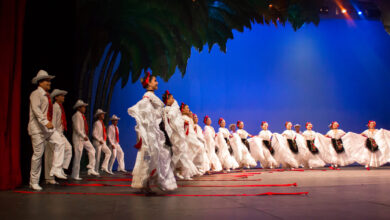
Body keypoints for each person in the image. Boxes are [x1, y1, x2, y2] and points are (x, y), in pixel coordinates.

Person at [128, 72, 177, 193]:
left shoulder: (151, 97)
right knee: (150, 157)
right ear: (149, 83)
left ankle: (146, 184)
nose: (157, 82)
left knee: (156, 156)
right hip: (150, 134)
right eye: (155, 80)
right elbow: (144, 114)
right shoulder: (147, 97)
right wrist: (146, 132)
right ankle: (146, 184)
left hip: (154, 133)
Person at [28, 70, 66, 190]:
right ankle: (33, 181)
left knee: (60, 142)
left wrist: (48, 124)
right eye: (47, 80)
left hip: (47, 128)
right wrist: (45, 122)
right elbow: (36, 110)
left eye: (49, 80)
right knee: (38, 155)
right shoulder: (36, 94)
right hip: (37, 129)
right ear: (40, 82)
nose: (49, 83)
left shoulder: (47, 95)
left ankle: (56, 169)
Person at [162, 91, 199, 179]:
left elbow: (176, 121)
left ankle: (182, 173)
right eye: (171, 98)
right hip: (175, 135)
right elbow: (171, 123)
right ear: (167, 100)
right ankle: (172, 172)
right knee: (179, 154)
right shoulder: (167, 110)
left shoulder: (170, 109)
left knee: (180, 154)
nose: (173, 99)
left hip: (177, 134)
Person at [44, 89, 73, 185]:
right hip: (53, 132)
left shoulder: (60, 107)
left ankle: (60, 169)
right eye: (61, 95)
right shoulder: (55, 107)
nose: (63, 97)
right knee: (51, 155)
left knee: (68, 148)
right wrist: (52, 134)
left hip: (60, 133)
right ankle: (49, 178)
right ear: (56, 97)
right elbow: (52, 121)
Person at [71, 100, 99, 180]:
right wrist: (83, 136)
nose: (84, 108)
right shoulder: (76, 115)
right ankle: (75, 174)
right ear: (79, 108)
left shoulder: (81, 116)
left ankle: (90, 168)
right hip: (78, 138)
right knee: (78, 156)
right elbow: (77, 128)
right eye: (83, 107)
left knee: (92, 150)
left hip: (83, 137)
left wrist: (84, 136)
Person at [92, 109, 112, 174]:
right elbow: (94, 133)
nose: (103, 115)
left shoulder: (102, 123)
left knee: (108, 152)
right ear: (98, 115)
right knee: (97, 156)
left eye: (103, 114)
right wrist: (99, 139)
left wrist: (104, 139)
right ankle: (95, 170)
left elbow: (102, 133)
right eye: (102, 114)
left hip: (102, 141)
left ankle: (104, 166)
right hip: (97, 142)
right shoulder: (97, 123)